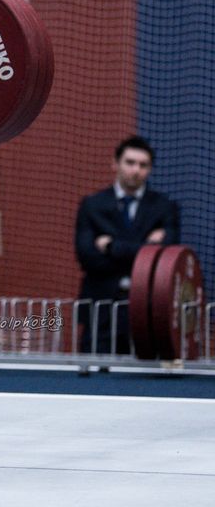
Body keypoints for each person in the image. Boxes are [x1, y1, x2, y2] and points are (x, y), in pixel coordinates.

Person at [75, 135, 180, 354]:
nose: (136, 170)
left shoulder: (164, 207)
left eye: (143, 165)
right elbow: (88, 258)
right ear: (115, 164)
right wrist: (146, 248)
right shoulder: (92, 205)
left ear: (150, 169)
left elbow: (165, 259)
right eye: (130, 162)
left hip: (149, 312)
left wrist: (111, 247)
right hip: (101, 312)